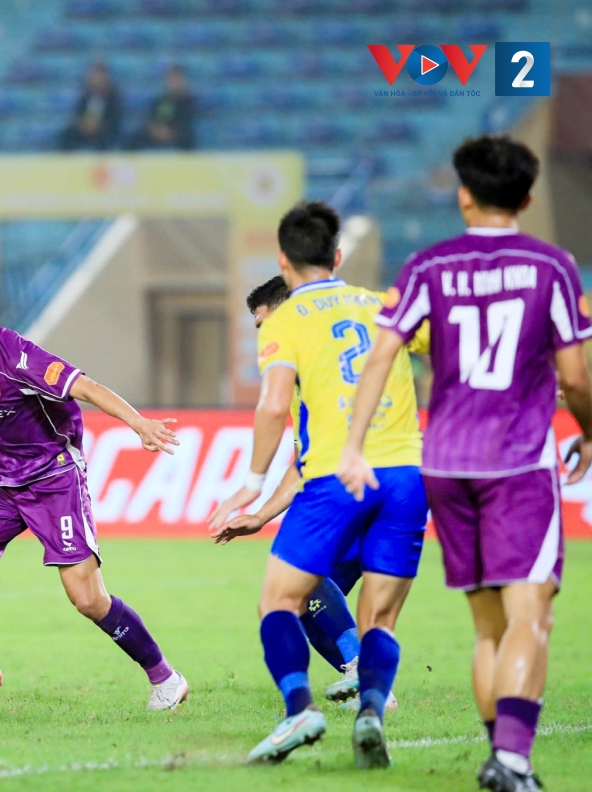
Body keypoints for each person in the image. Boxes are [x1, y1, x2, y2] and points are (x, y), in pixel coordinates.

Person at [337, 135, 592, 792]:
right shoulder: (552, 267)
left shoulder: (428, 266)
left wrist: (354, 444)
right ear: (528, 199)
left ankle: (501, 756)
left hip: (446, 464)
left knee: (489, 628)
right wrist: (590, 433)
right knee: (531, 617)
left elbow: (382, 353)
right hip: (517, 463)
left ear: (464, 196)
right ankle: (512, 760)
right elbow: (575, 376)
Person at [0, 270, 188, 710]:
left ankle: (166, 678)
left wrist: (138, 423)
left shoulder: (20, 358)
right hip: (0, 479)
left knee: (88, 599)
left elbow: (87, 387)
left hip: (53, 479)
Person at [233, 202, 428, 767]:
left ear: (283, 261)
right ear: (338, 256)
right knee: (378, 618)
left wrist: (251, 484)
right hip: (406, 477)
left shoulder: (288, 321)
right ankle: (371, 709)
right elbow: (452, 350)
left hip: (340, 477)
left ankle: (299, 709)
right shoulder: (385, 305)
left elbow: (273, 407)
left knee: (280, 598)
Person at [209, 275, 401, 713]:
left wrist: (253, 490)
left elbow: (298, 439)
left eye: (264, 325)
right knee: (303, 604)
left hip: (360, 488)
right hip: (384, 487)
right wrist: (261, 515)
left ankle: (363, 670)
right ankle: (372, 688)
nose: (263, 338)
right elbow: (303, 463)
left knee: (300, 576)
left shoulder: (312, 371)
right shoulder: (310, 373)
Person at [56, 63, 120, 151]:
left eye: (100, 78)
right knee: (66, 135)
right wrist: (83, 124)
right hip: (84, 129)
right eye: (94, 77)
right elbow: (78, 114)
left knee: (107, 137)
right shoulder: (85, 97)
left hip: (104, 130)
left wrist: (99, 125)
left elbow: (115, 118)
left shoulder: (113, 98)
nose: (97, 80)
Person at [129, 64, 195, 150]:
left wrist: (171, 132)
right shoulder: (160, 100)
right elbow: (152, 118)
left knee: (187, 138)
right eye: (171, 79)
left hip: (178, 135)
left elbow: (186, 122)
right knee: (134, 137)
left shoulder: (188, 101)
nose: (174, 82)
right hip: (157, 133)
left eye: (177, 78)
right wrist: (156, 130)